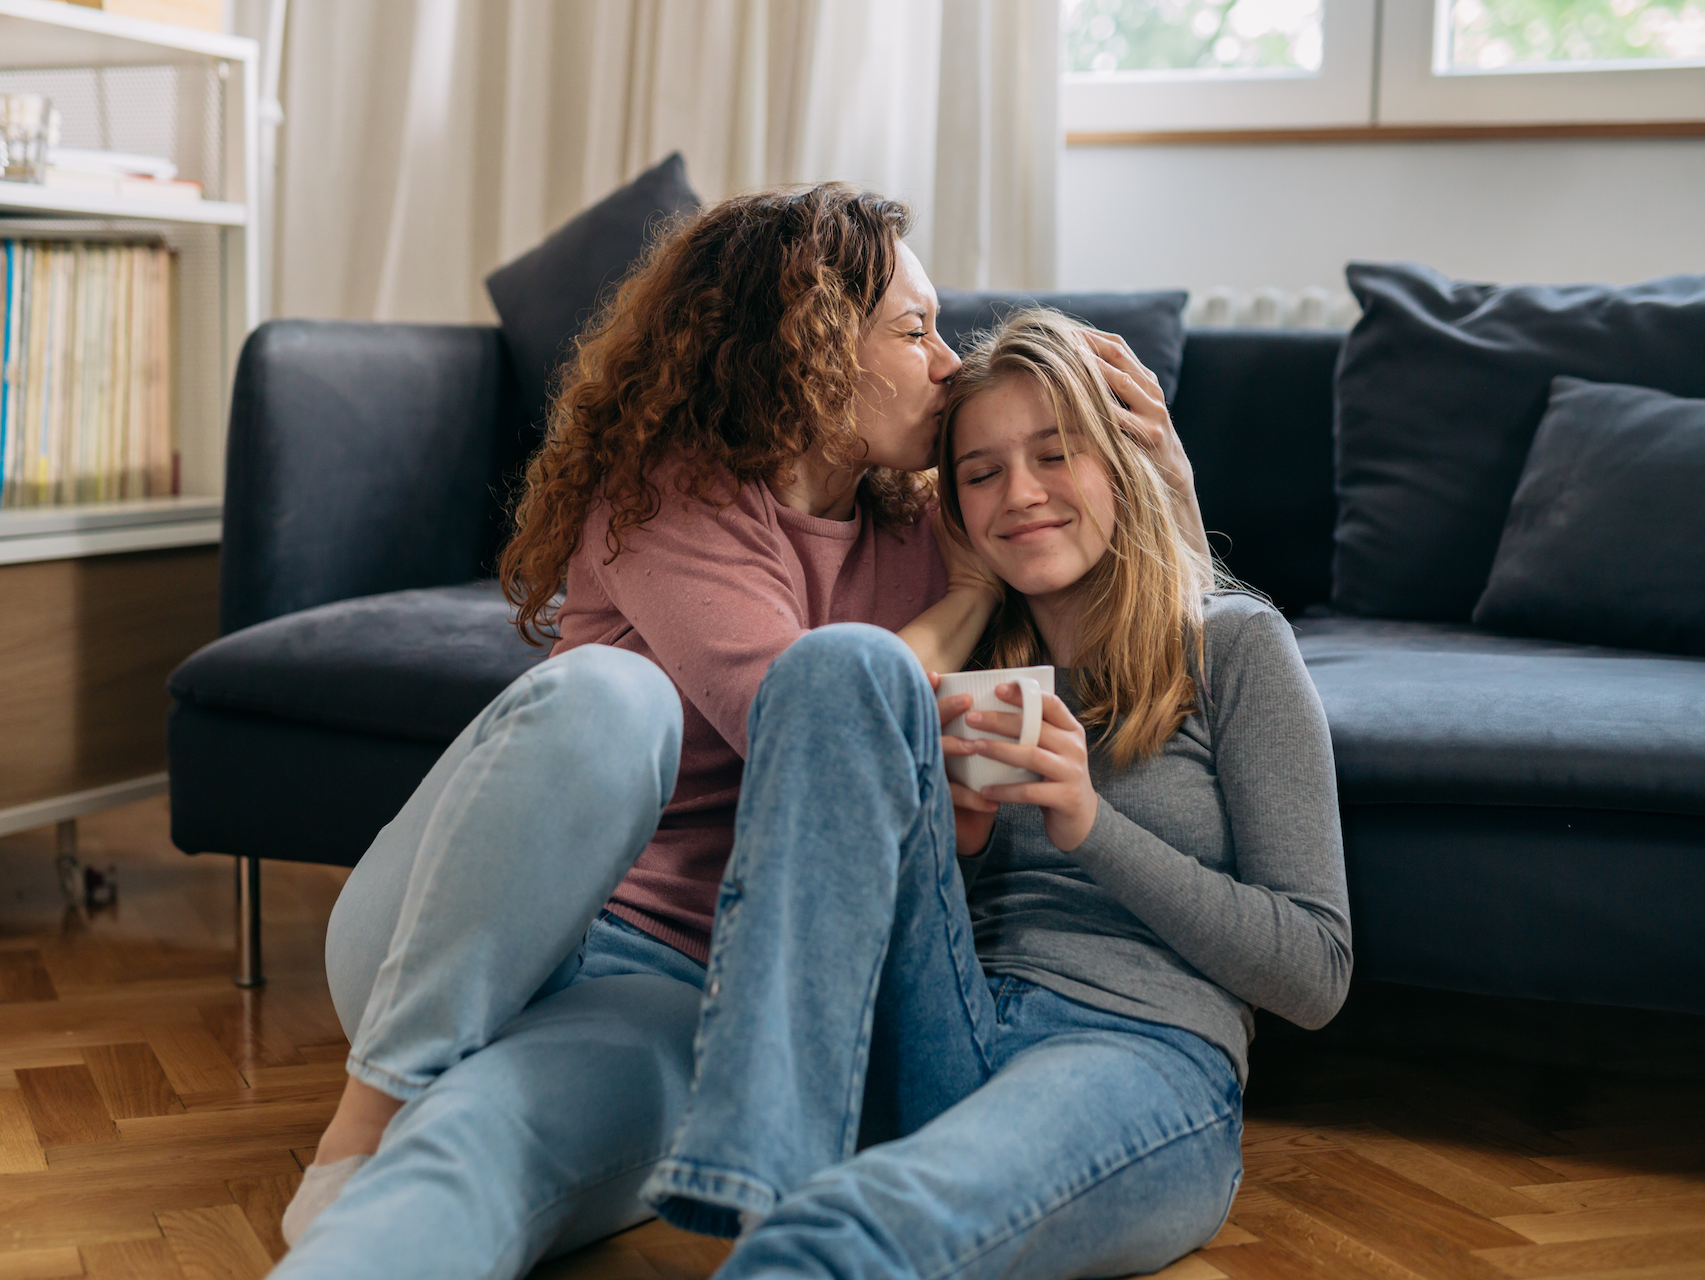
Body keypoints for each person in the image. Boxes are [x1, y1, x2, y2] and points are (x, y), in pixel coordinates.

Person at [272, 187, 1205, 1278]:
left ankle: (385, 1186)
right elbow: (809, 721)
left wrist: (1170, 481)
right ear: (805, 348)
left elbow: (1124, 612)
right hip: (468, 924)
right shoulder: (667, 498)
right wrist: (956, 610)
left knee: (483, 1138)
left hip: (670, 985)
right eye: (913, 330)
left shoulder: (932, 521)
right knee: (612, 698)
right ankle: (371, 1102)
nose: (947, 362)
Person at [635, 309, 1352, 1279]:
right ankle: (755, 1157)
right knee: (838, 663)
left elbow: (1315, 971)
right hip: (949, 1024)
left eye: (1056, 455)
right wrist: (957, 842)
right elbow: (860, 847)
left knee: (852, 1230)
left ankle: (794, 1216)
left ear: (1118, 462)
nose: (1021, 494)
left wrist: (1092, 826)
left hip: (1135, 1052)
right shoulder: (971, 666)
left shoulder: (1235, 646)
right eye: (981, 473)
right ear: (958, 509)